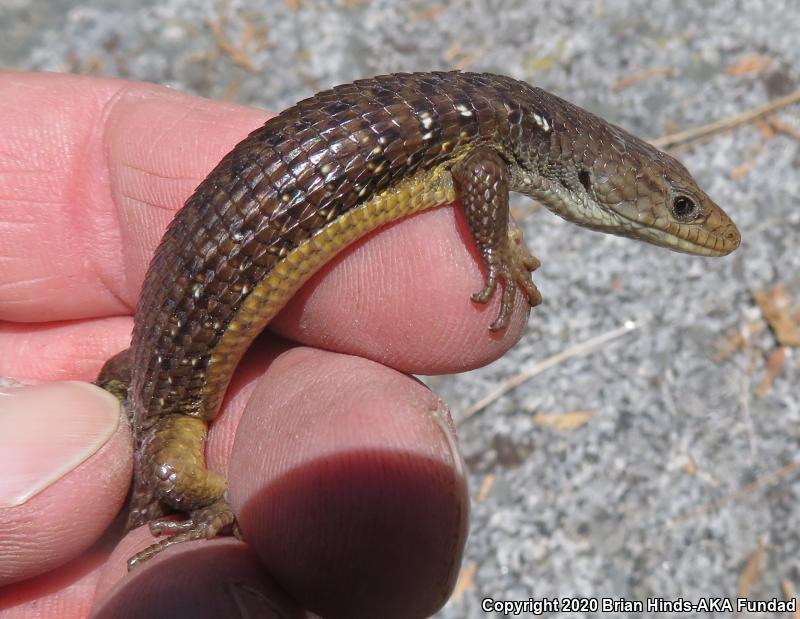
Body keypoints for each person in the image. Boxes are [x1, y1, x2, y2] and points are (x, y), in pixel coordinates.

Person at [0, 71, 531, 618]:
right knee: (175, 477)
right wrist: (211, 503)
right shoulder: (167, 423)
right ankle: (213, 507)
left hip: (191, 308)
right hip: (178, 344)